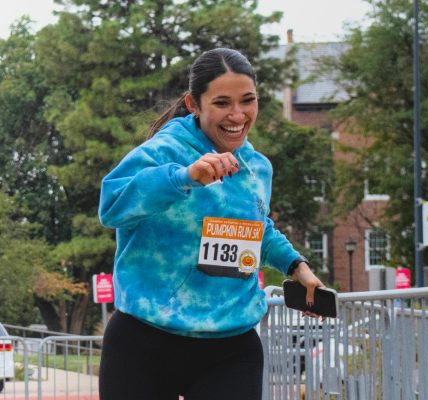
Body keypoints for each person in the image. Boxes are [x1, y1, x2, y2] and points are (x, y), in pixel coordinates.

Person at [97, 48, 325, 400]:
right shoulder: (163, 152)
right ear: (194, 104)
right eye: (222, 103)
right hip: (145, 340)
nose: (238, 115)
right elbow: (111, 206)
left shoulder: (258, 168)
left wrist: (297, 267)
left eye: (248, 101)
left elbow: (256, 228)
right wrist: (184, 177)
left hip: (230, 345)